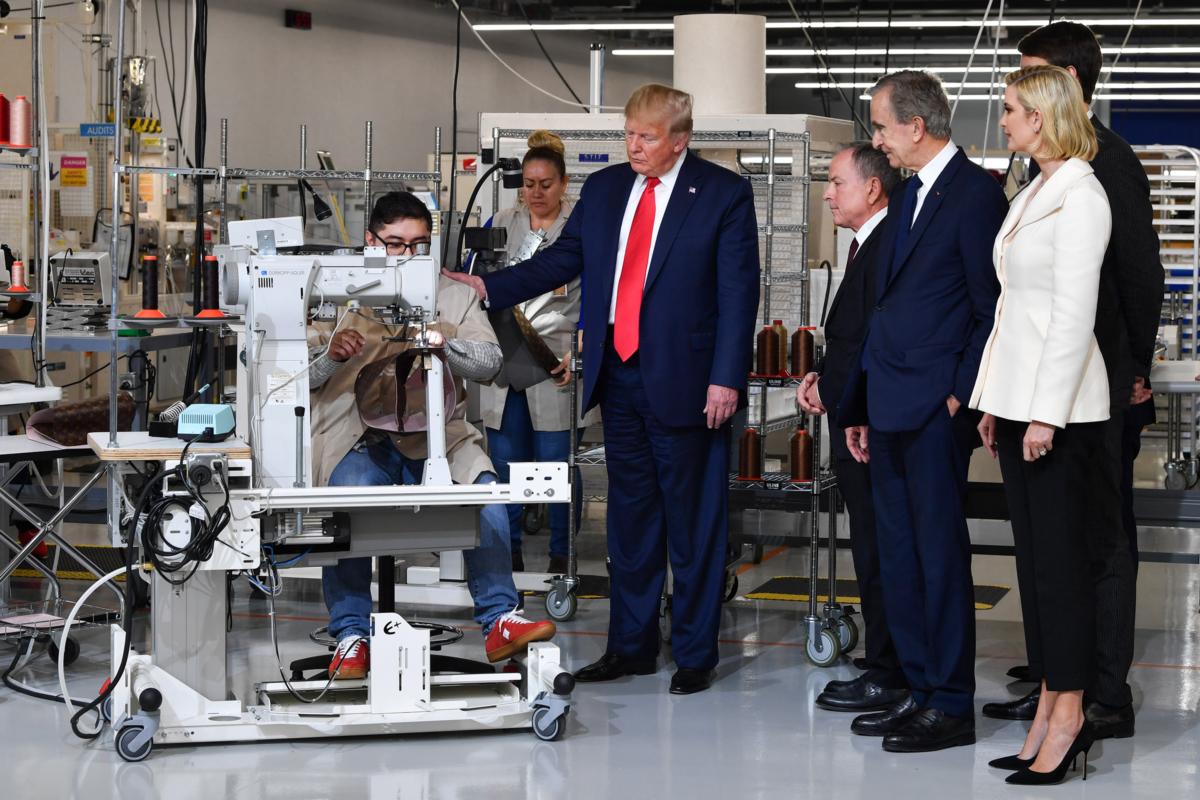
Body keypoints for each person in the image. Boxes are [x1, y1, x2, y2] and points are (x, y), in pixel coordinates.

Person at [445, 83, 760, 695]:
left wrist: (726, 377)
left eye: (646, 138)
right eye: (628, 134)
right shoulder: (609, 189)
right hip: (618, 378)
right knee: (631, 520)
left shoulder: (722, 194)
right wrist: (489, 288)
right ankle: (632, 646)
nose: (633, 146)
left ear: (680, 140)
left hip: (692, 384)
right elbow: (563, 260)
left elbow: (736, 293)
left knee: (693, 523)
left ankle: (696, 653)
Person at [983, 21, 1165, 742]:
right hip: (1045, 384)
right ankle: (1058, 673)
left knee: (1098, 539)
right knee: (1048, 542)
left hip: (1099, 385)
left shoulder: (1107, 167)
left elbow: (1133, 278)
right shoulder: (1038, 171)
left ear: (1065, 85)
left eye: (1029, 78)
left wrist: (1137, 372)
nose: (1016, 94)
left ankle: (1103, 693)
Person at [308, 191, 556, 679]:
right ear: (371, 241)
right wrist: (330, 354)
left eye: (420, 245)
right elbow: (297, 377)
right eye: (396, 244)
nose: (409, 255)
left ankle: (499, 621)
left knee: (486, 495)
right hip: (360, 437)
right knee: (348, 499)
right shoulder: (337, 293)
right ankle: (351, 635)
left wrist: (449, 347)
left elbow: (489, 363)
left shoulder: (452, 293)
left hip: (438, 434)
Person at [838, 70, 1007, 753]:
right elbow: (886, 308)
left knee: (938, 558)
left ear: (915, 126)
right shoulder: (909, 196)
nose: (876, 138)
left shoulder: (973, 197)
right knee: (899, 555)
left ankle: (950, 701)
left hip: (934, 407)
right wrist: (861, 399)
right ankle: (914, 685)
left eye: (881, 125)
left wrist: (958, 391)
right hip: (887, 401)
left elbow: (988, 306)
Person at [972, 64, 1112, 785]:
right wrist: (995, 401)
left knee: (1060, 573)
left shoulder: (1081, 197)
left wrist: (1045, 416)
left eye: (1011, 110)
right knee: (1034, 568)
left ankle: (1069, 716)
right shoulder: (1034, 191)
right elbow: (1011, 312)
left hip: (1060, 414)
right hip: (1023, 405)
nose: (1004, 121)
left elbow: (1070, 317)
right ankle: (1048, 708)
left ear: (1044, 116)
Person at [796, 142, 906, 713]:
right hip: (851, 410)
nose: (827, 193)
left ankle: (891, 668)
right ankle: (885, 658)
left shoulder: (888, 243)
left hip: (867, 422)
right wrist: (822, 376)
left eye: (837, 182)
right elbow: (851, 337)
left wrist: (849, 399)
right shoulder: (864, 244)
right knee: (870, 543)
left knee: (880, 544)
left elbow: (873, 342)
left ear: (872, 189)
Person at [480, 130, 594, 575]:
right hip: (505, 360)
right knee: (506, 467)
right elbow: (478, 285)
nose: (536, 192)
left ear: (564, 183)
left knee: (556, 468)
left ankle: (561, 556)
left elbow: (598, 296)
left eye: (546, 184)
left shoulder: (580, 229)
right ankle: (506, 554)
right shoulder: (499, 224)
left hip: (556, 362)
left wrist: (583, 348)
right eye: (528, 183)